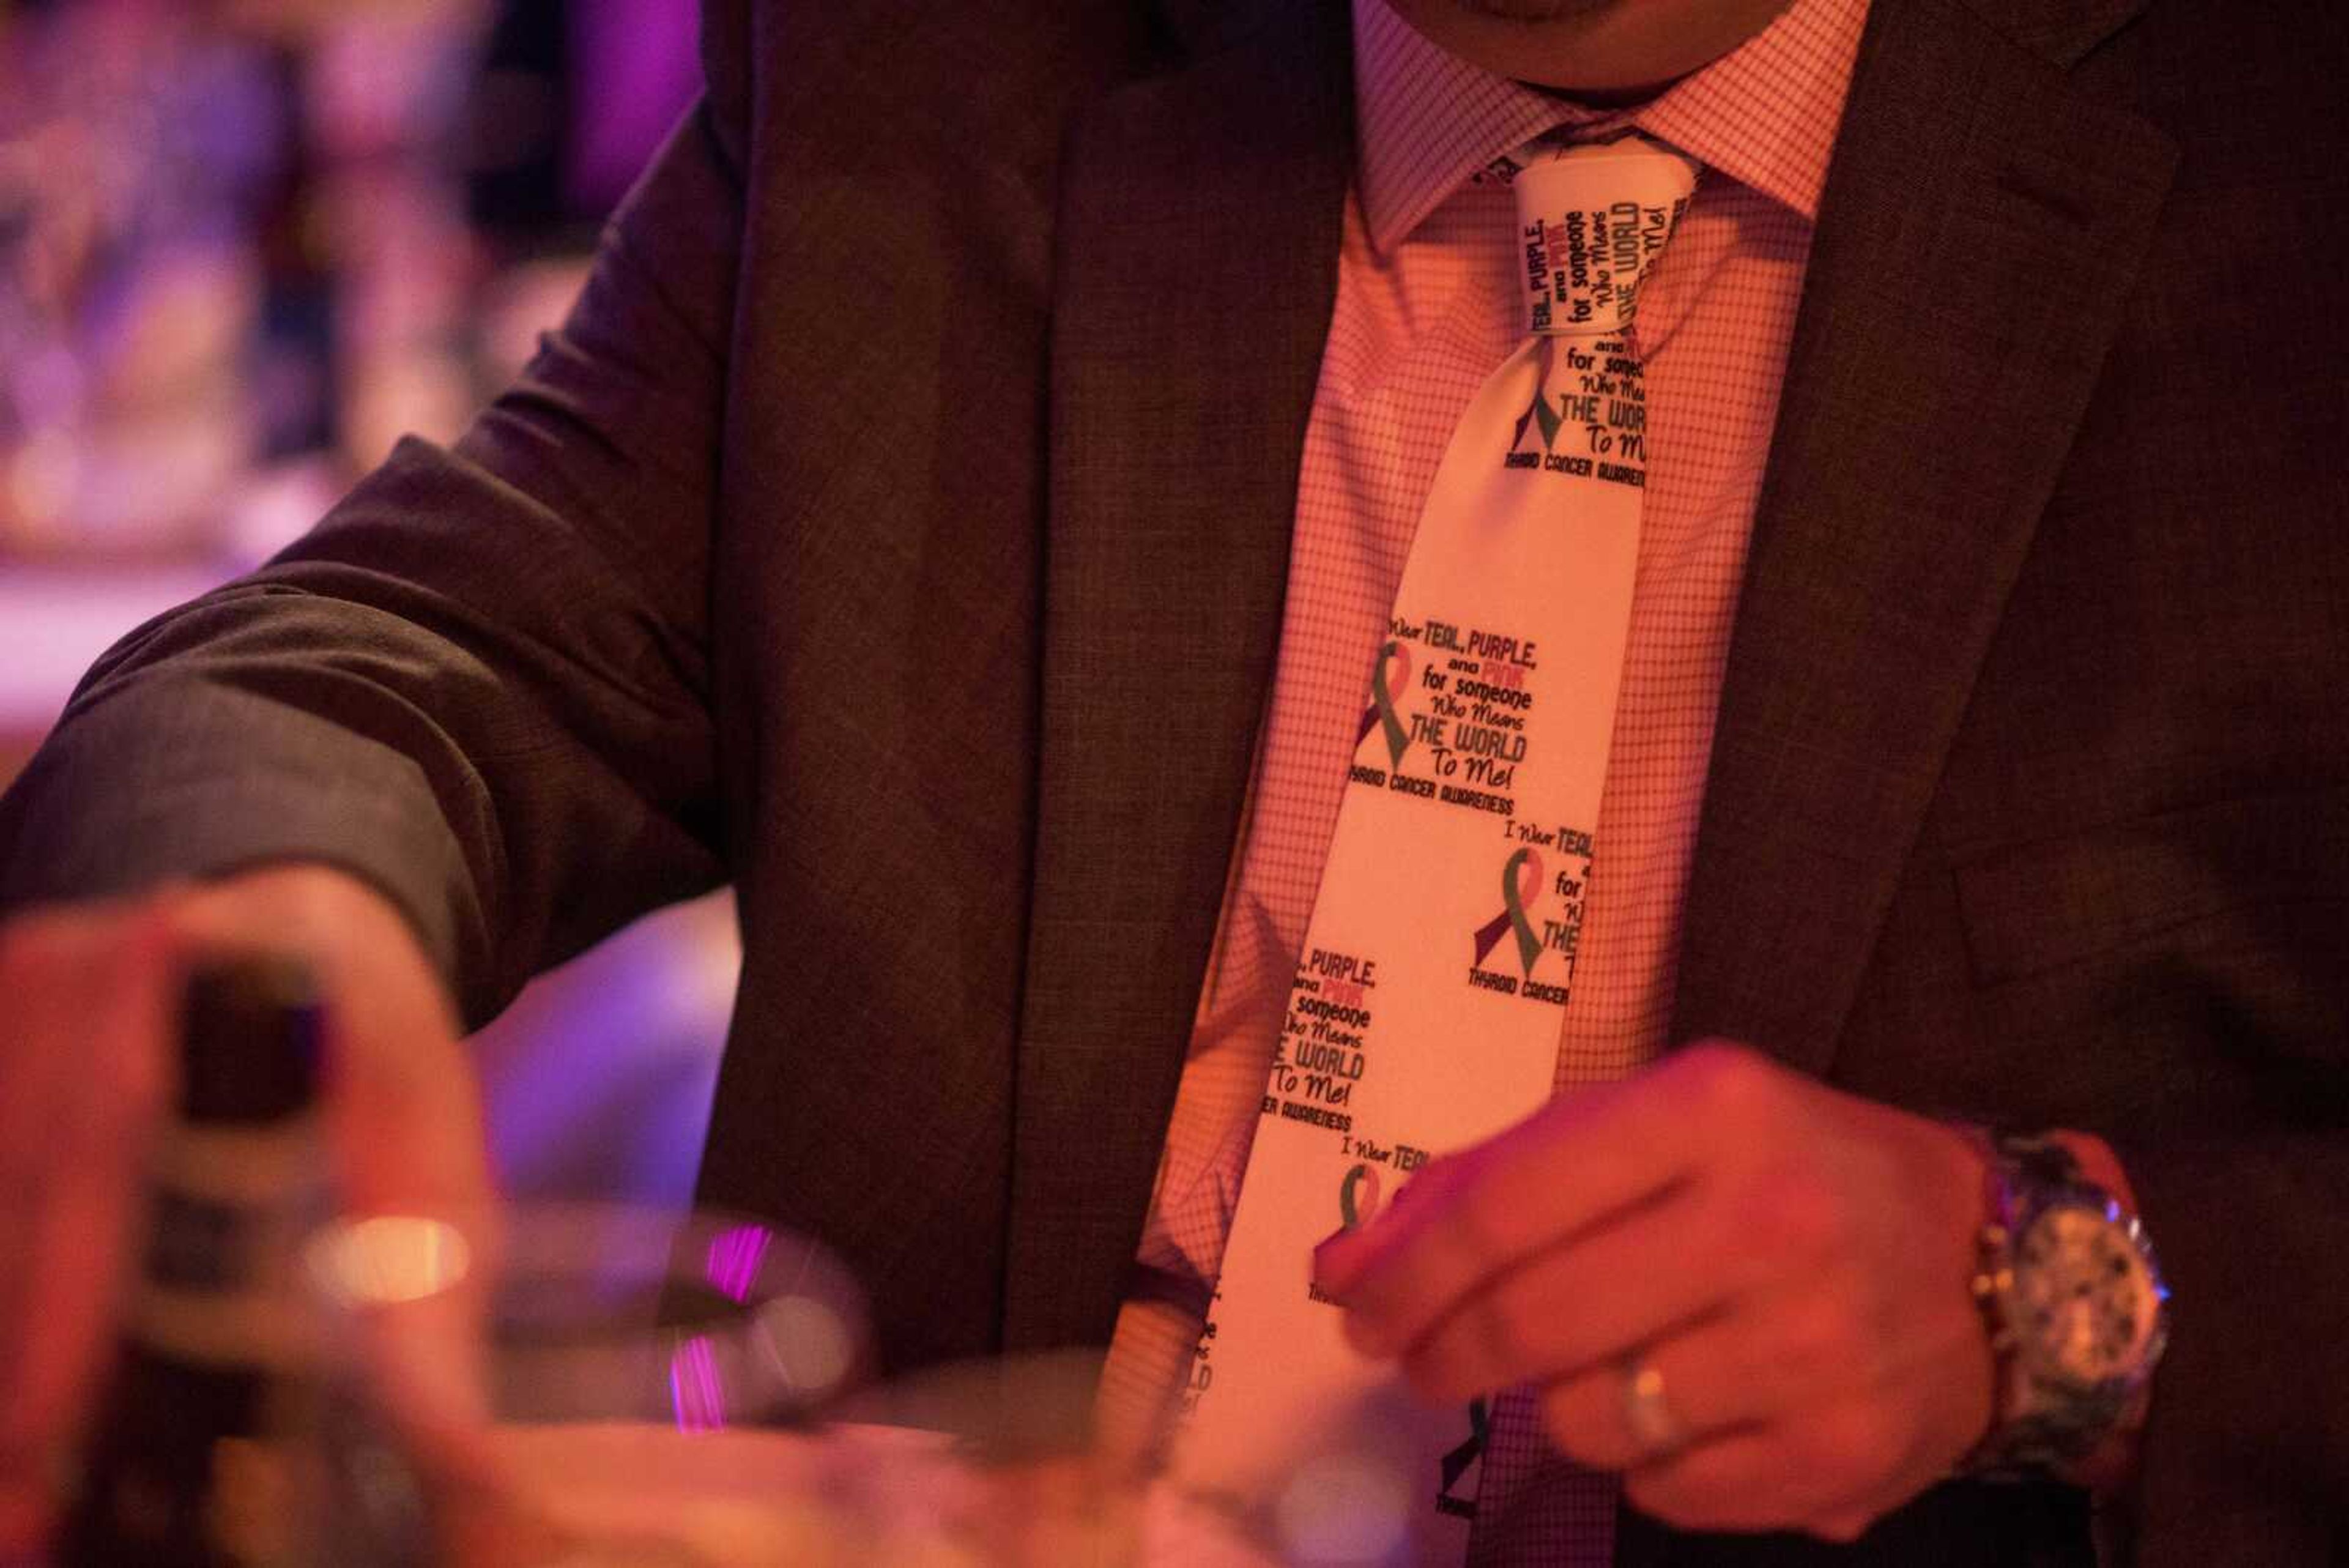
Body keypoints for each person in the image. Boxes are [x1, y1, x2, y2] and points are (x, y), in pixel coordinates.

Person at [1, 0, 2342, 1562]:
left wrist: (2052, 1285)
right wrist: (254, 932)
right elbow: (389, 657)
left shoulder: (2268, 163)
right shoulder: (952, 68)